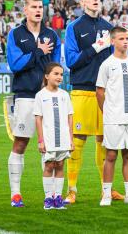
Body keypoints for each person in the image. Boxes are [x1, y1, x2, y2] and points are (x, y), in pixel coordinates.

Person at [64, 0, 119, 204]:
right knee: (77, 141)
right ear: (82, 3)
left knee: (104, 141)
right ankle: (71, 190)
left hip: (105, 92)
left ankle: (107, 190)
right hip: (82, 90)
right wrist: (95, 47)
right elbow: (71, 61)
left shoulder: (109, 27)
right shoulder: (74, 27)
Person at [6, 0, 61, 208]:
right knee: (20, 142)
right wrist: (38, 52)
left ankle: (50, 195)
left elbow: (55, 66)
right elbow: (15, 64)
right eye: (34, 7)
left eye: (41, 7)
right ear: (25, 11)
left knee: (49, 146)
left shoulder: (52, 35)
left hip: (47, 96)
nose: (38, 10)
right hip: (26, 95)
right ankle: (16, 194)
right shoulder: (15, 34)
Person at [96, 26, 128, 206]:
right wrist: (107, 111)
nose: (125, 41)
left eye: (127, 38)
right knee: (110, 155)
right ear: (113, 41)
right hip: (113, 118)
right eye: (122, 38)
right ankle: (106, 195)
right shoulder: (107, 64)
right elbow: (99, 92)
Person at [34, 63, 73, 210]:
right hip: (49, 138)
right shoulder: (41, 95)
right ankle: (48, 198)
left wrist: (71, 139)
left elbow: (70, 117)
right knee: (49, 165)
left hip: (63, 138)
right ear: (46, 76)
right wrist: (41, 141)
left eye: (61, 74)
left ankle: (58, 197)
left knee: (60, 165)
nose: (59, 77)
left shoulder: (64, 95)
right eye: (56, 74)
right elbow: (38, 119)